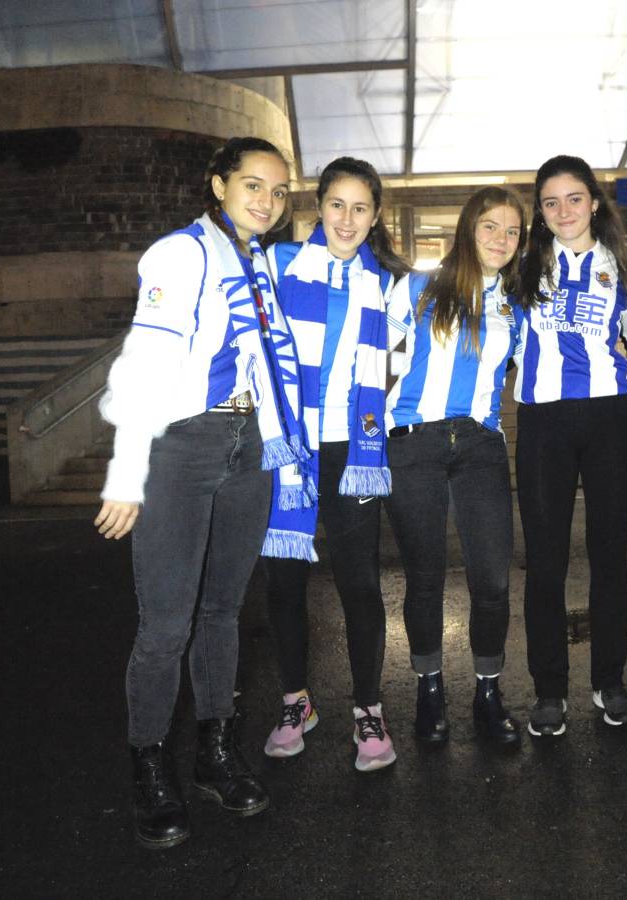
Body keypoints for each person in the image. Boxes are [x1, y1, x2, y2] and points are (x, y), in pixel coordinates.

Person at [95, 137, 295, 848]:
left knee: (223, 613)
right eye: (252, 185)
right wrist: (127, 474)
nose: (266, 200)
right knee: (164, 627)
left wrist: (276, 446)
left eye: (278, 190)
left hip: (246, 449)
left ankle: (214, 752)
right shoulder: (181, 254)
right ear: (218, 185)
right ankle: (149, 767)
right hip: (177, 449)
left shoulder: (258, 261)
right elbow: (144, 361)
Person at [259, 157, 408, 773]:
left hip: (354, 452)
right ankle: (297, 700)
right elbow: (253, 350)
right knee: (283, 584)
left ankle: (368, 709)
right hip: (291, 448)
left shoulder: (391, 282)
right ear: (317, 207)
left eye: (361, 207)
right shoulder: (278, 264)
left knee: (360, 585)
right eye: (337, 205)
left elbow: (403, 362)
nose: (348, 219)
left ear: (376, 216)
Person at [384, 186, 526, 746]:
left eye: (512, 231)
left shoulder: (512, 304)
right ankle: (430, 690)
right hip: (414, 442)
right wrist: (371, 442)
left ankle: (488, 693)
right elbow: (379, 367)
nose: (501, 240)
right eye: (491, 226)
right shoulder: (419, 287)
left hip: (480, 445)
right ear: (468, 228)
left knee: (492, 579)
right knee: (424, 578)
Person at [513, 155, 627, 736]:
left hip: (612, 418)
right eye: (550, 201)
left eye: (573, 198)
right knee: (545, 561)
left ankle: (609, 681)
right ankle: (549, 690)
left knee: (608, 554)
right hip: (543, 420)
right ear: (539, 212)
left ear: (594, 201)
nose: (563, 210)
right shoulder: (520, 266)